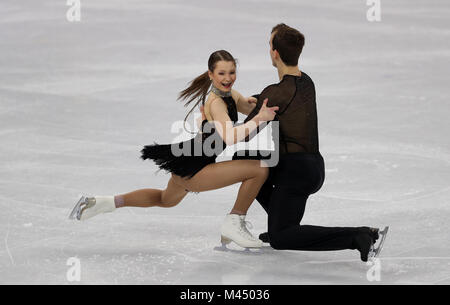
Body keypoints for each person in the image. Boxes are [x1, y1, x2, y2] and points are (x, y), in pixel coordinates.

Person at [69, 50, 280, 249]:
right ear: (211, 74)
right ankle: (234, 221)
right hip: (196, 169)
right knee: (259, 169)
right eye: (221, 73)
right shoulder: (216, 102)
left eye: (232, 72)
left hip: (187, 161)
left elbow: (248, 108)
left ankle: (104, 203)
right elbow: (232, 137)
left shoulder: (230, 95)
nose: (228, 78)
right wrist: (261, 118)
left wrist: (263, 107)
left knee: (164, 200)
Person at [229, 24, 388, 262]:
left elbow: (243, 134)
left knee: (282, 237)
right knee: (243, 160)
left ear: (274, 53)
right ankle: (280, 223)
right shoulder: (306, 82)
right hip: (308, 166)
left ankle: (359, 236)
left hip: (295, 173)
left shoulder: (277, 91)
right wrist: (259, 100)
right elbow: (275, 104)